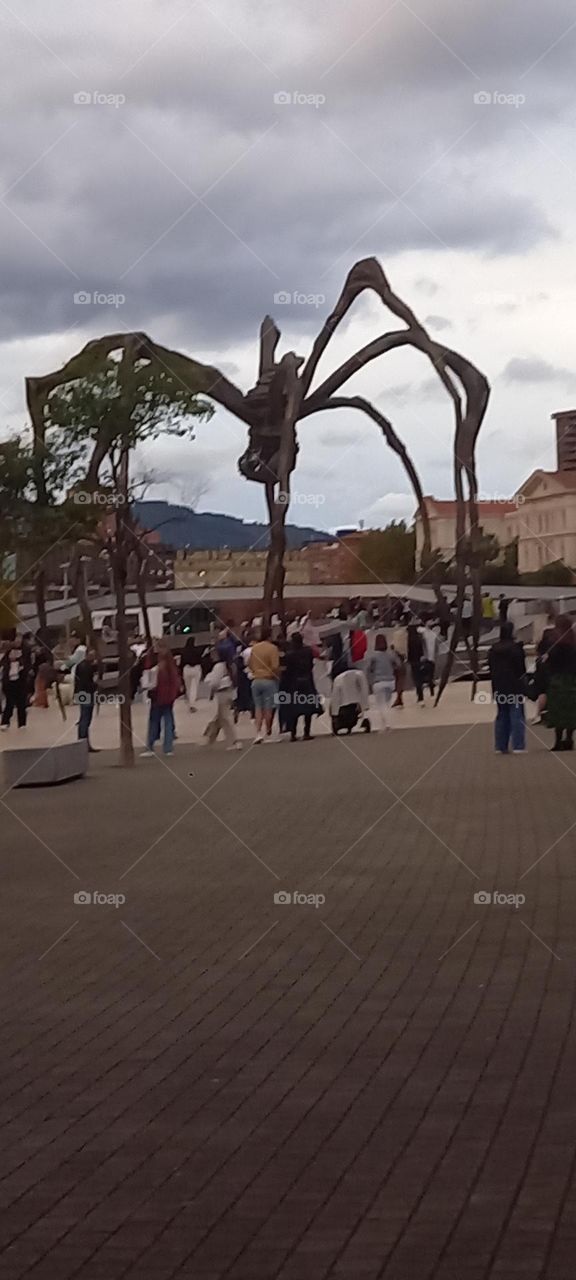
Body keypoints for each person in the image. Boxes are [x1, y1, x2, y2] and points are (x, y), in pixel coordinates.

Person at [488, 621, 526, 754]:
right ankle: (518, 745)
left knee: (501, 715)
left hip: (499, 685)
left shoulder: (493, 650)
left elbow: (491, 670)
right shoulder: (516, 649)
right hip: (514, 686)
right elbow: (521, 669)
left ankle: (500, 746)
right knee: (516, 715)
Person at [140, 642, 181, 757]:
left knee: (154, 722)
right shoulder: (170, 666)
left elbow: (149, 679)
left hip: (158, 697)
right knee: (168, 722)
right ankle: (168, 748)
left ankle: (150, 747)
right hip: (167, 697)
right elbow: (174, 681)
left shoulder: (156, 667)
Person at [546, 614, 576, 751]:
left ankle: (558, 741)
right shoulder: (573, 643)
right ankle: (569, 738)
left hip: (558, 680)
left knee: (558, 711)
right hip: (573, 680)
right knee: (571, 711)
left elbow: (550, 664)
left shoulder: (555, 645)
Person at [282, 632, 320, 742]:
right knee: (308, 708)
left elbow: (287, 671)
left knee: (294, 708)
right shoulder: (308, 652)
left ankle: (293, 734)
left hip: (294, 683)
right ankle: (306, 732)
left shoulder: (289, 655)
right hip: (307, 680)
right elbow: (311, 665)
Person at [248, 625, 280, 743]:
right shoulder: (272, 648)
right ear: (270, 636)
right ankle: (268, 732)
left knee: (258, 707)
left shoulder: (254, 648)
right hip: (268, 680)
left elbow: (250, 664)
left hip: (256, 680)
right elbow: (275, 666)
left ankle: (258, 733)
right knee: (268, 708)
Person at [204, 651, 241, 750]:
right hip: (230, 691)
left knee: (225, 718)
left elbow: (215, 682)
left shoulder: (219, 666)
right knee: (220, 717)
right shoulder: (230, 665)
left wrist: (209, 682)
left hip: (222, 693)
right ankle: (210, 738)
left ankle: (233, 741)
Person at [367, 634, 401, 730]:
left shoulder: (373, 656)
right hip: (390, 681)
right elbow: (398, 665)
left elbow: (369, 669)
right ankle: (386, 723)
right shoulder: (391, 654)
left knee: (380, 705)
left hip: (378, 682)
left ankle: (386, 724)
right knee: (387, 703)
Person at [330, 665, 370, 734]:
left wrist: (334, 713)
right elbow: (364, 690)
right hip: (355, 703)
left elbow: (335, 697)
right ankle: (364, 721)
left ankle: (341, 725)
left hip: (344, 705)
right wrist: (364, 705)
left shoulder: (337, 679)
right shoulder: (359, 674)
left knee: (345, 715)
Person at [74, 647, 100, 752]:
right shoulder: (86, 667)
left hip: (83, 693)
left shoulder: (84, 666)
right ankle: (83, 742)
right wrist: (95, 685)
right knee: (85, 718)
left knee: (85, 718)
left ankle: (84, 742)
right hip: (86, 693)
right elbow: (87, 682)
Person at [1, 640, 30, 730]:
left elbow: (26, 672)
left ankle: (22, 723)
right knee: (9, 703)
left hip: (20, 684)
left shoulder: (22, 663)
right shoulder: (4, 663)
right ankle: (5, 722)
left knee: (21, 704)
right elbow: (4, 674)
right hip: (9, 684)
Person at [180, 636, 204, 712]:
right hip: (196, 669)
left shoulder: (183, 651)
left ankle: (189, 704)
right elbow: (200, 660)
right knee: (194, 687)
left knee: (188, 688)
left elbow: (181, 663)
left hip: (186, 669)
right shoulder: (197, 651)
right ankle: (192, 704)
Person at [407, 616, 426, 705]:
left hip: (412, 661)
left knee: (415, 678)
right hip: (419, 659)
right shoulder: (419, 638)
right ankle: (420, 696)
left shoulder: (409, 640)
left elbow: (408, 651)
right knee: (419, 678)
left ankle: (419, 695)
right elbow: (422, 648)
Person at [419, 619, 439, 699]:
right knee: (428, 676)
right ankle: (430, 693)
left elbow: (436, 646)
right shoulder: (424, 632)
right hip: (428, 657)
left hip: (429, 657)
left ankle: (427, 694)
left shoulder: (432, 634)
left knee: (427, 676)